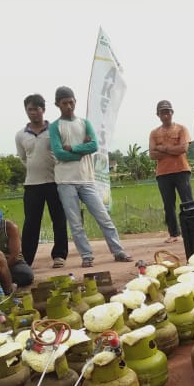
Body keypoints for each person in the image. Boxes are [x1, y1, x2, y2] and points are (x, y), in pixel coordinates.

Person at [48, 86, 132, 266]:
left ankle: (118, 251)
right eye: (65, 103)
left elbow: (94, 146)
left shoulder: (85, 123)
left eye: (71, 102)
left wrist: (74, 148)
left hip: (87, 179)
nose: (69, 106)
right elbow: (59, 153)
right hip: (66, 181)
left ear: (75, 102)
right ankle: (87, 256)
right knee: (76, 224)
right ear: (57, 105)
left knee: (104, 217)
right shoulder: (55, 127)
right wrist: (81, 152)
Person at [16, 94, 69, 268]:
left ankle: (59, 255)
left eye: (37, 109)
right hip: (32, 184)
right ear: (26, 111)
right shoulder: (20, 135)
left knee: (59, 219)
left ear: (43, 110)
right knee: (31, 222)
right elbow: (24, 158)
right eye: (30, 109)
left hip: (55, 181)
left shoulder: (55, 129)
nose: (34, 113)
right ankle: (27, 259)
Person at [148, 100, 193, 242]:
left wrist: (163, 148)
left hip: (181, 170)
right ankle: (174, 234)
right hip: (163, 173)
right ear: (158, 115)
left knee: (187, 202)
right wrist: (173, 150)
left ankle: (191, 231)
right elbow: (152, 154)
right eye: (162, 112)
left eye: (167, 111)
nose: (165, 115)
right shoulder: (154, 133)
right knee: (168, 204)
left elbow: (183, 149)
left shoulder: (181, 129)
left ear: (172, 112)